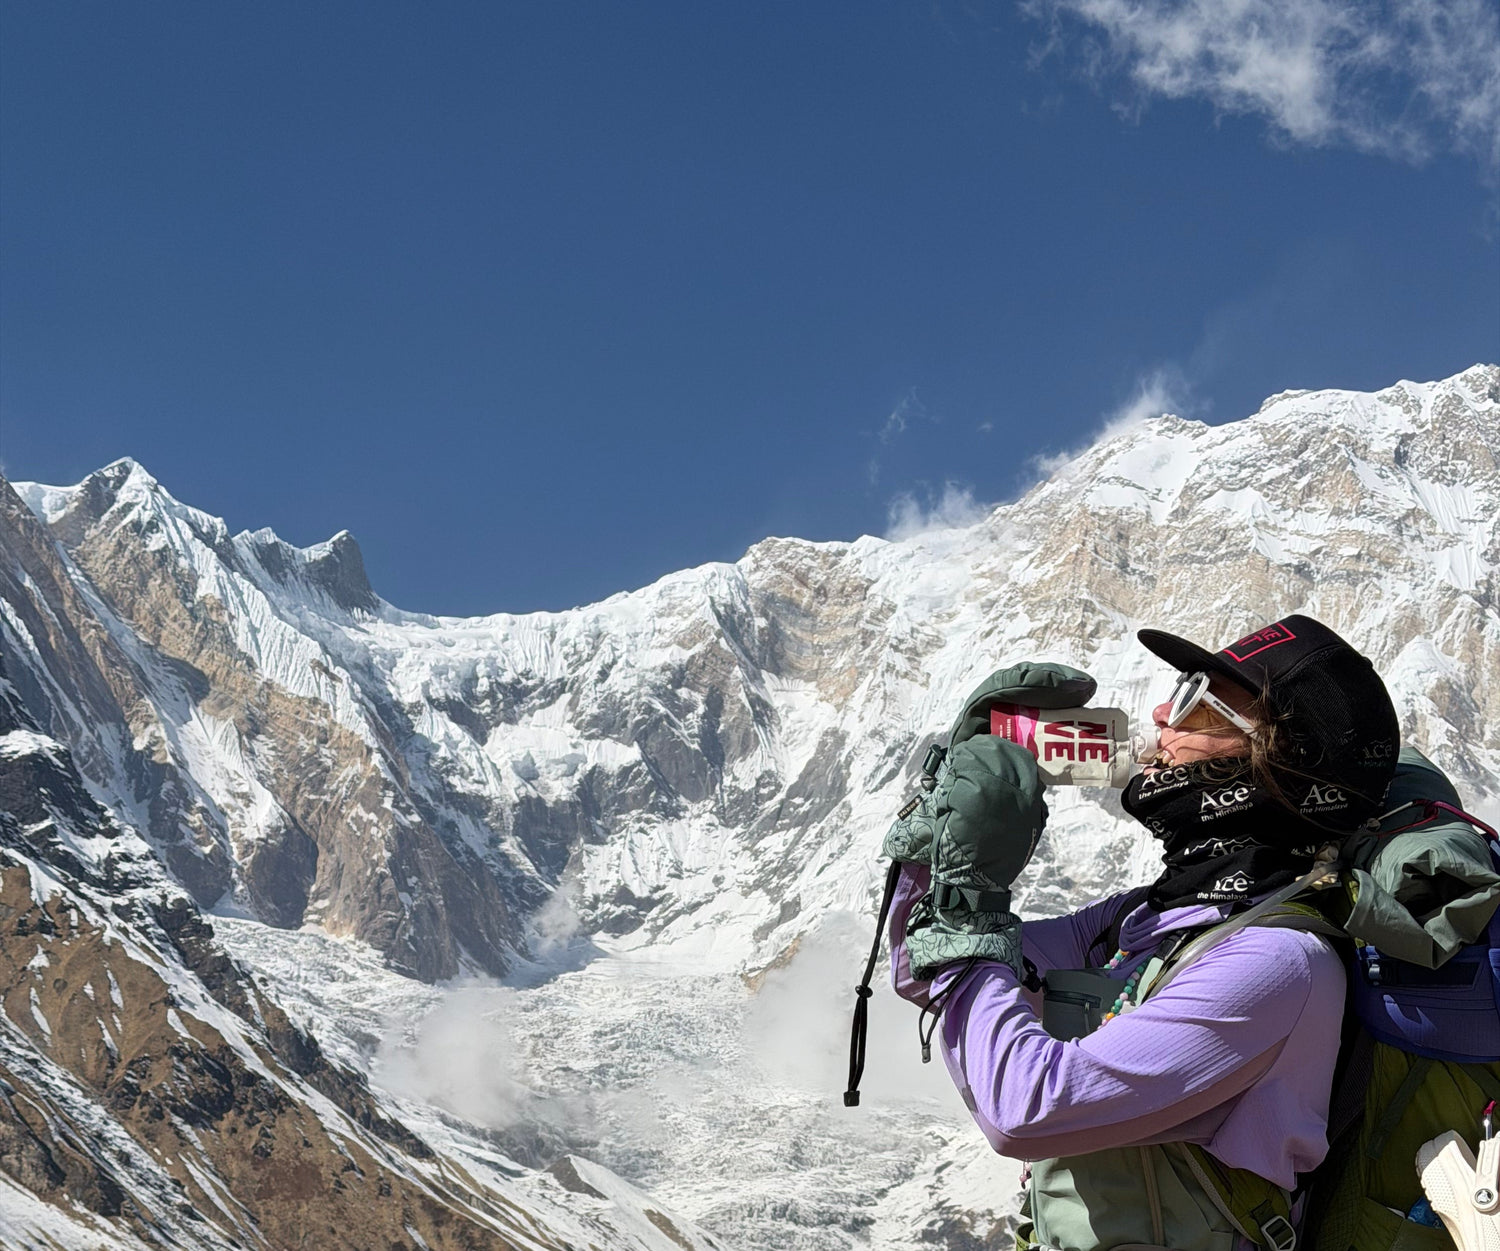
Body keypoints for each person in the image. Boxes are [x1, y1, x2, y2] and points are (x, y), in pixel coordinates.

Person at [887, 615, 1403, 1251]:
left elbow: (1026, 1110)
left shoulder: (1277, 959)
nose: (1161, 712)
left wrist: (972, 902)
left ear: (1280, 761)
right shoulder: (1147, 919)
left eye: (1198, 703)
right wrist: (939, 832)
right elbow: (924, 967)